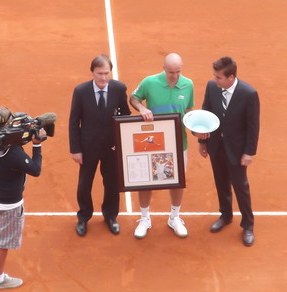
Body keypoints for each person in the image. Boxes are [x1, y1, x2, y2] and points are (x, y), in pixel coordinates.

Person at [130, 53, 205, 239]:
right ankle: (145, 218)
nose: (174, 76)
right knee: (147, 180)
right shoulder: (149, 82)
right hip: (153, 141)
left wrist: (195, 127)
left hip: (179, 142)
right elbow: (133, 98)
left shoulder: (188, 84)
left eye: (178, 72)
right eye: (171, 72)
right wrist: (142, 108)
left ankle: (174, 217)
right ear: (163, 68)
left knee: (177, 180)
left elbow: (188, 110)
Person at [196, 56, 260, 246]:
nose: (215, 80)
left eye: (219, 77)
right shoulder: (212, 87)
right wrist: (202, 141)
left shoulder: (248, 94)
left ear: (230, 77)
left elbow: (253, 126)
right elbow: (205, 113)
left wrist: (249, 152)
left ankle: (248, 225)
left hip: (237, 150)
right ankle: (225, 215)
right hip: (216, 146)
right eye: (214, 76)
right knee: (221, 182)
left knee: (241, 187)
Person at [69, 54, 131, 236]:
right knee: (84, 184)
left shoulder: (119, 89)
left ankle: (111, 216)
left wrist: (120, 142)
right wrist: (76, 149)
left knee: (112, 183)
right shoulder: (80, 91)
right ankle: (83, 217)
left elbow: (124, 115)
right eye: (99, 73)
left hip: (111, 147)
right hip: (88, 147)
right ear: (92, 73)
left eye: (106, 73)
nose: (103, 78)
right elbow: (74, 122)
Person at [0, 107, 47, 289]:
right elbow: (35, 169)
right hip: (9, 204)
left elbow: (9, 140)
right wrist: (36, 144)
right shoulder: (14, 155)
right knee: (3, 242)